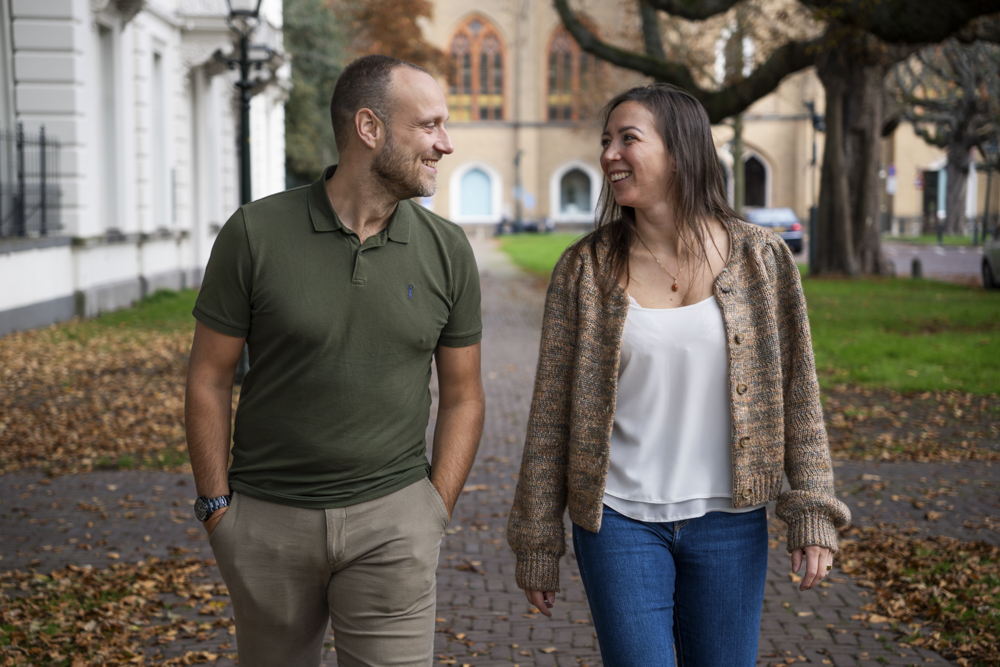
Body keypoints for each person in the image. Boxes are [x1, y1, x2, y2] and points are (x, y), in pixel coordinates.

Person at [506, 84, 850, 667]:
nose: (610, 154)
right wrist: (538, 539)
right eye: (605, 141)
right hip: (618, 521)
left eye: (628, 139)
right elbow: (550, 418)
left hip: (731, 523)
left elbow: (799, 393)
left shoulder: (762, 259)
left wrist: (812, 508)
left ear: (681, 150)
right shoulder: (584, 271)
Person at [185, 55, 485, 667]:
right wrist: (218, 509)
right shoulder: (254, 233)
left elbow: (464, 395)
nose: (445, 144)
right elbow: (208, 379)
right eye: (428, 126)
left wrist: (433, 508)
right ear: (369, 128)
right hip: (267, 521)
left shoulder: (448, 251)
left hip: (395, 523)